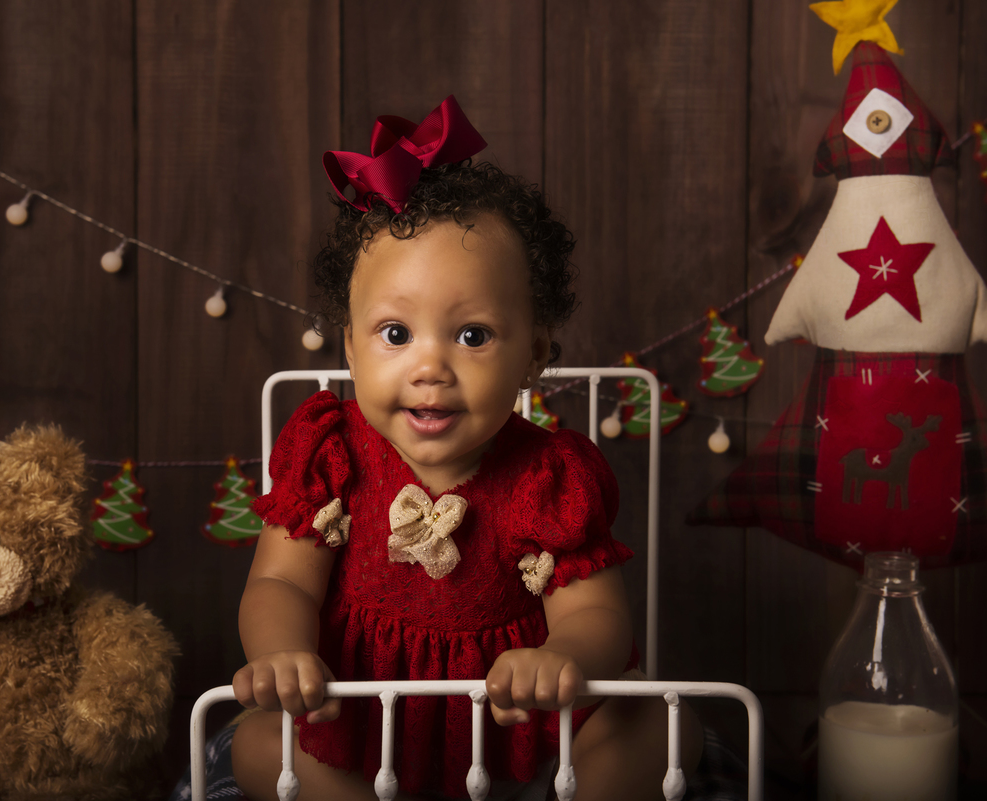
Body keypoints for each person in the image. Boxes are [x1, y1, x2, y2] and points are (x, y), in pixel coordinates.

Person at [230, 96, 702, 801]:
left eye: (473, 335)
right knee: (259, 745)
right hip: (361, 728)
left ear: (534, 355)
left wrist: (560, 657)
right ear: (351, 348)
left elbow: (597, 615)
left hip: (521, 738)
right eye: (395, 334)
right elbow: (281, 583)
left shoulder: (548, 476)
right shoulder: (331, 454)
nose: (431, 368)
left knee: (668, 728)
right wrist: (282, 655)